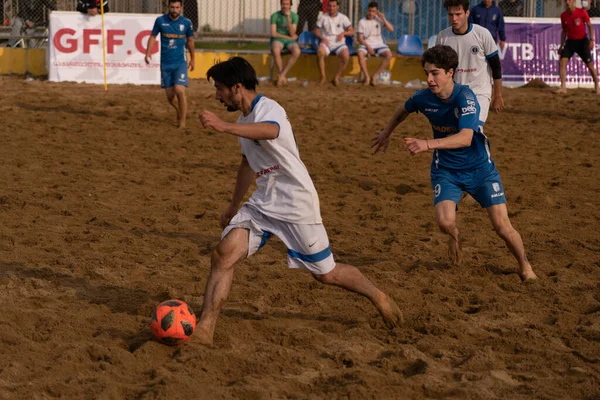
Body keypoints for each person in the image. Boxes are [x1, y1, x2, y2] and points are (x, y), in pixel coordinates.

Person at [196, 57, 403, 345]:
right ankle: (205, 329)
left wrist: (224, 126)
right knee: (223, 254)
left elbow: (271, 130)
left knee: (326, 274)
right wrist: (233, 205)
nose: (217, 96)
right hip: (264, 201)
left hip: (295, 201)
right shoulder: (244, 120)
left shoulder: (269, 109)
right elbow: (247, 164)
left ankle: (377, 295)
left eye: (219, 89)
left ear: (237, 87)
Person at [372, 45, 537, 283]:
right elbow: (403, 109)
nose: (429, 79)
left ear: (451, 72)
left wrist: (427, 144)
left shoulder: (465, 97)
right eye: (427, 73)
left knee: (502, 227)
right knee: (444, 222)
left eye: (435, 73)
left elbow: (466, 138)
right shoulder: (422, 97)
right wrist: (386, 133)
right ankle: (455, 234)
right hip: (446, 170)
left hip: (480, 170)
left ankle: (525, 265)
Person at [436, 0, 503, 128]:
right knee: (457, 134)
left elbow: (496, 66)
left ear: (467, 13)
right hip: (454, 93)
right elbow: (439, 69)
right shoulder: (443, 37)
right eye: (450, 15)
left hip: (480, 93)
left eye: (458, 14)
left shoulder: (482, 34)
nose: (454, 19)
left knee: (473, 130)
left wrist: (498, 95)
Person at [145, 0, 195, 129]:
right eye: (172, 7)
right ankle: (178, 112)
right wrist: (148, 52)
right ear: (168, 7)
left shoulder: (187, 23)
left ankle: (182, 122)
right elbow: (152, 37)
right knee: (170, 96)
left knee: (179, 90)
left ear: (181, 8)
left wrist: (193, 58)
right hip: (165, 63)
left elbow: (190, 41)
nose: (174, 10)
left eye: (177, 7)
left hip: (180, 62)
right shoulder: (160, 21)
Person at [555, 0, 599, 94]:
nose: (567, 2)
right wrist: (561, 45)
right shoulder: (563, 15)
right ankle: (563, 87)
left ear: (574, 1)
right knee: (562, 62)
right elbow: (564, 31)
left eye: (569, 0)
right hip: (570, 42)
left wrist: (591, 40)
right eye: (566, 1)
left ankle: (597, 85)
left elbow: (590, 26)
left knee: (590, 65)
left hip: (582, 41)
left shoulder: (582, 12)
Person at [313, 0, 355, 86]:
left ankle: (336, 77)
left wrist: (343, 33)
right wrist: (322, 38)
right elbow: (316, 31)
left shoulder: (343, 17)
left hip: (339, 43)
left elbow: (352, 31)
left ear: (337, 6)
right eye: (330, 6)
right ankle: (323, 77)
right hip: (327, 42)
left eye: (334, 6)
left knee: (346, 56)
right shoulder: (323, 17)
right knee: (320, 53)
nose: (331, 8)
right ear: (327, 7)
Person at [357, 1, 394, 86]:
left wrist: (383, 18)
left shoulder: (379, 19)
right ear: (367, 10)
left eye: (373, 11)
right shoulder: (362, 21)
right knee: (360, 53)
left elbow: (391, 29)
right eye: (370, 11)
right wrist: (368, 47)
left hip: (379, 44)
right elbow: (360, 39)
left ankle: (375, 76)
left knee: (389, 55)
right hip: (366, 44)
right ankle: (367, 77)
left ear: (377, 11)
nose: (371, 13)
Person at [270, 0, 301, 87]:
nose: (285, 6)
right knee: (276, 49)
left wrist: (288, 19)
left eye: (287, 4)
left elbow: (292, 33)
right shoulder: (275, 15)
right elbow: (273, 33)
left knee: (297, 51)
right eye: (283, 4)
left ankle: (282, 75)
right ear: (281, 5)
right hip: (278, 39)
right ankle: (281, 74)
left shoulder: (294, 16)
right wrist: (289, 37)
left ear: (290, 5)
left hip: (289, 41)